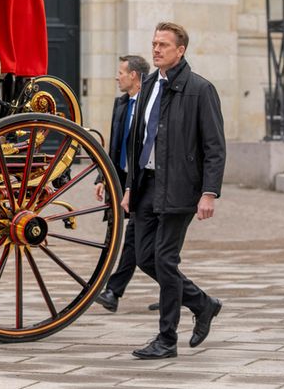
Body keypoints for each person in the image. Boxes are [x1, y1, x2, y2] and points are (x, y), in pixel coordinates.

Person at [122, 22, 225, 360]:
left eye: (163, 44)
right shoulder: (149, 84)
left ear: (180, 50)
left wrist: (209, 192)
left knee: (165, 259)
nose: (156, 49)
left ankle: (166, 339)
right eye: (154, 43)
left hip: (181, 186)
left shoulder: (199, 89)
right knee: (145, 257)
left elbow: (214, 147)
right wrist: (128, 188)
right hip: (148, 184)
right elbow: (137, 140)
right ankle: (202, 303)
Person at [94, 55, 153, 313]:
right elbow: (114, 146)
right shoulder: (120, 104)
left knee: (136, 239)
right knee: (142, 242)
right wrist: (102, 178)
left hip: (144, 182)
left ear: (135, 76)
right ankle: (176, 291)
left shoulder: (151, 106)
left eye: (121, 72)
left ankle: (113, 292)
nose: (117, 77)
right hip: (124, 181)